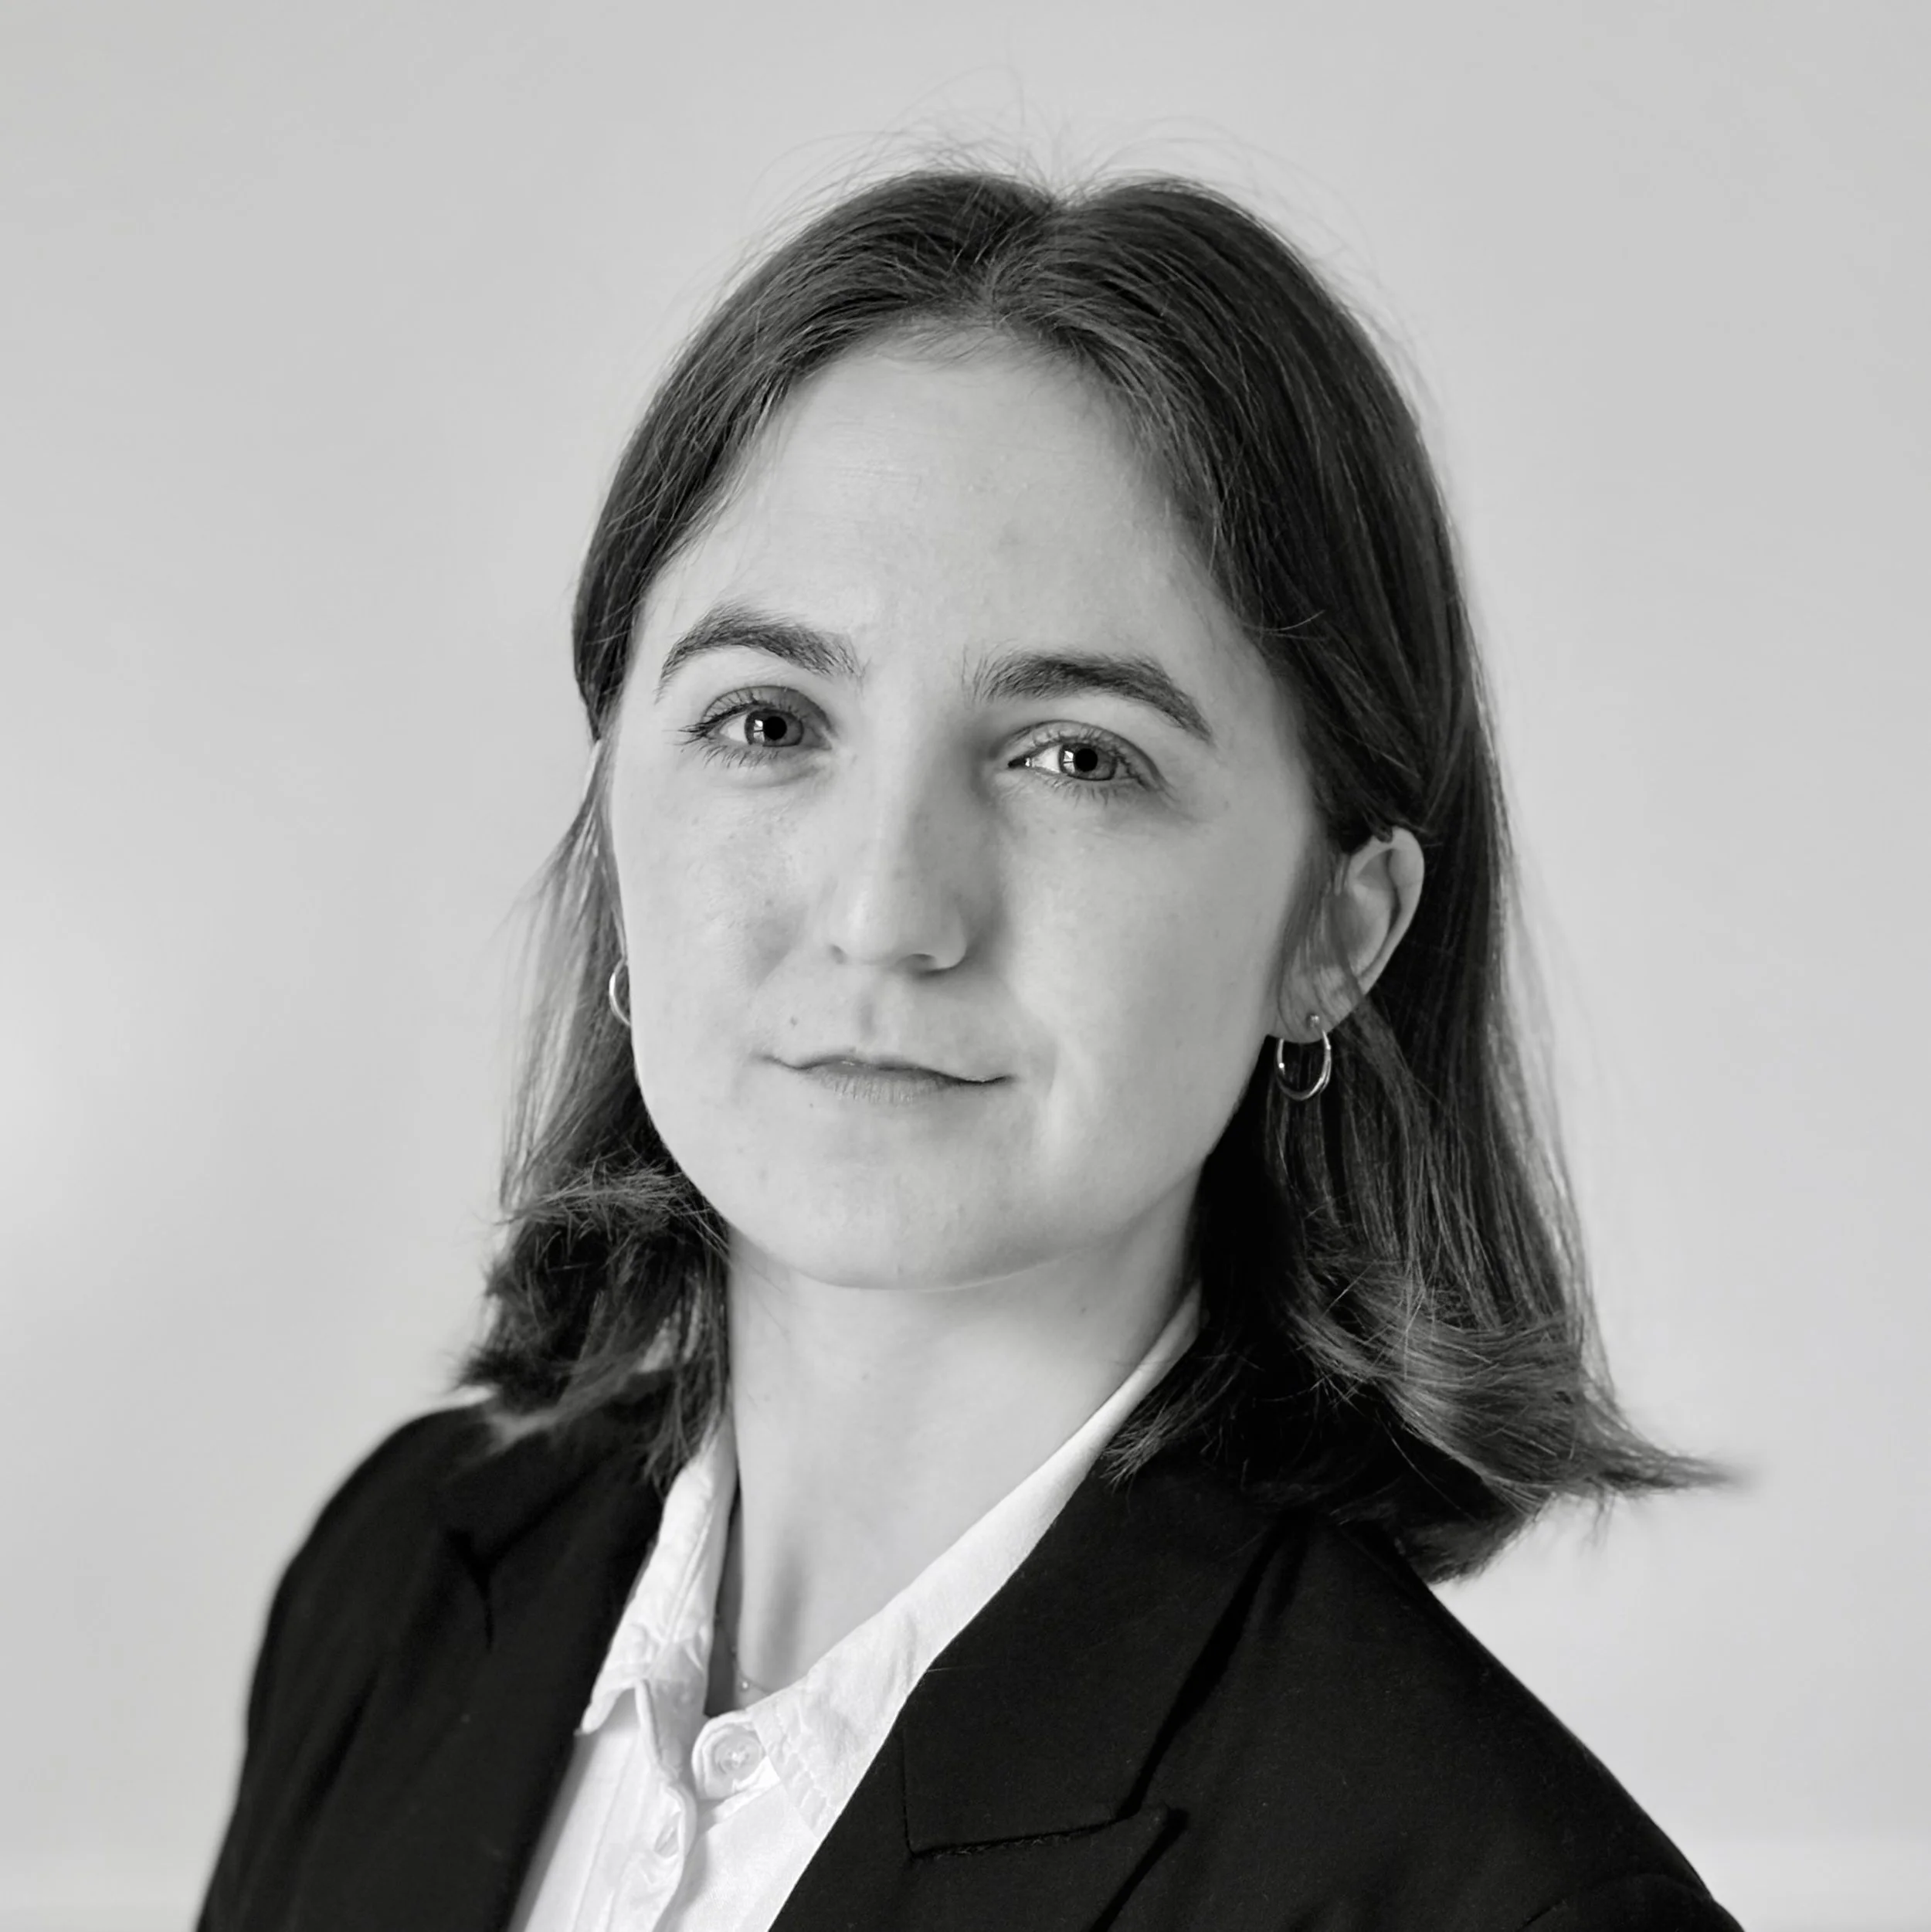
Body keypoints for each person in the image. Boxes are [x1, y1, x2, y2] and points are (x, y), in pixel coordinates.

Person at [196, 165, 1742, 1931]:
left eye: (1075, 755)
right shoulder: (395, 1579)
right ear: (613, 805)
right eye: (765, 720)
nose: (885, 907)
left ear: (1335, 926)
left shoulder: (1497, 1900)